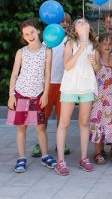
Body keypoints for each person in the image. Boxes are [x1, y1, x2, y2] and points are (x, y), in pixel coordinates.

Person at [7, 20, 56, 173]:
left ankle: (45, 155)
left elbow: (47, 74)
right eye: (26, 34)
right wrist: (11, 95)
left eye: (32, 32)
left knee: (41, 126)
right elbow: (14, 74)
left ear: (38, 31)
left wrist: (46, 94)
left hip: (38, 94)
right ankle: (21, 158)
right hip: (21, 93)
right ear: (23, 36)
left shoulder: (47, 51)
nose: (30, 36)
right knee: (21, 127)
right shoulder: (21, 52)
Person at [55, 18, 99, 176]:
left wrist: (94, 63)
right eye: (79, 22)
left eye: (84, 21)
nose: (82, 22)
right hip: (70, 87)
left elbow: (98, 68)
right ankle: (60, 161)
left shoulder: (94, 45)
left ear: (89, 27)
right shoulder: (70, 44)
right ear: (75, 28)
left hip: (86, 87)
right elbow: (67, 66)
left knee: (84, 123)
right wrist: (80, 49)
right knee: (64, 123)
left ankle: (84, 158)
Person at [33, 13, 71, 158]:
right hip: (47, 85)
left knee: (63, 118)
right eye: (62, 21)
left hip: (65, 86)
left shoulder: (70, 41)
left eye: (67, 22)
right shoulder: (46, 41)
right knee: (43, 116)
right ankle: (40, 143)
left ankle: (60, 142)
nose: (64, 24)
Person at [89, 33, 112, 164]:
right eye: (104, 43)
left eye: (109, 44)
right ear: (99, 45)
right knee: (98, 123)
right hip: (98, 100)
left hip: (111, 98)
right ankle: (98, 151)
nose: (107, 46)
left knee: (111, 122)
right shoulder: (97, 59)